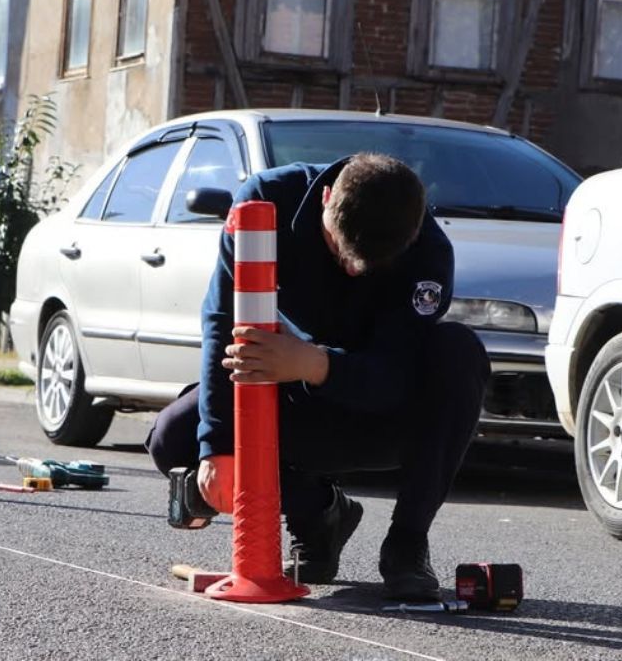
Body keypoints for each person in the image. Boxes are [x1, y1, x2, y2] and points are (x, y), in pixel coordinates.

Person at [145, 153, 489, 601]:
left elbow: (393, 374)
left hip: (381, 414)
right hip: (288, 401)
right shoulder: (265, 203)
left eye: (367, 263)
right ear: (325, 199)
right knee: (173, 438)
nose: (350, 268)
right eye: (337, 249)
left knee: (459, 351)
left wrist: (314, 363)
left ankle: (407, 543)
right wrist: (217, 448)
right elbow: (221, 323)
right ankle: (320, 514)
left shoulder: (429, 252)